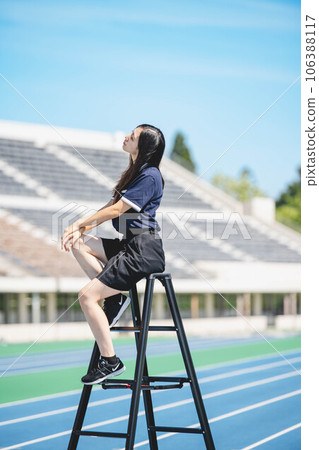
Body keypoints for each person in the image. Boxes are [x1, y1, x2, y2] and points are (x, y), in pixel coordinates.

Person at [61, 124, 166, 385]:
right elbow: (111, 206)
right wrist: (80, 228)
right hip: (129, 245)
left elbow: (117, 209)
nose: (127, 136)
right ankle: (115, 300)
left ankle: (110, 361)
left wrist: (77, 223)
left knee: (86, 296)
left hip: (143, 252)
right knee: (78, 242)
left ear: (144, 147)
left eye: (134, 135)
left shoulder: (151, 175)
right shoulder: (135, 173)